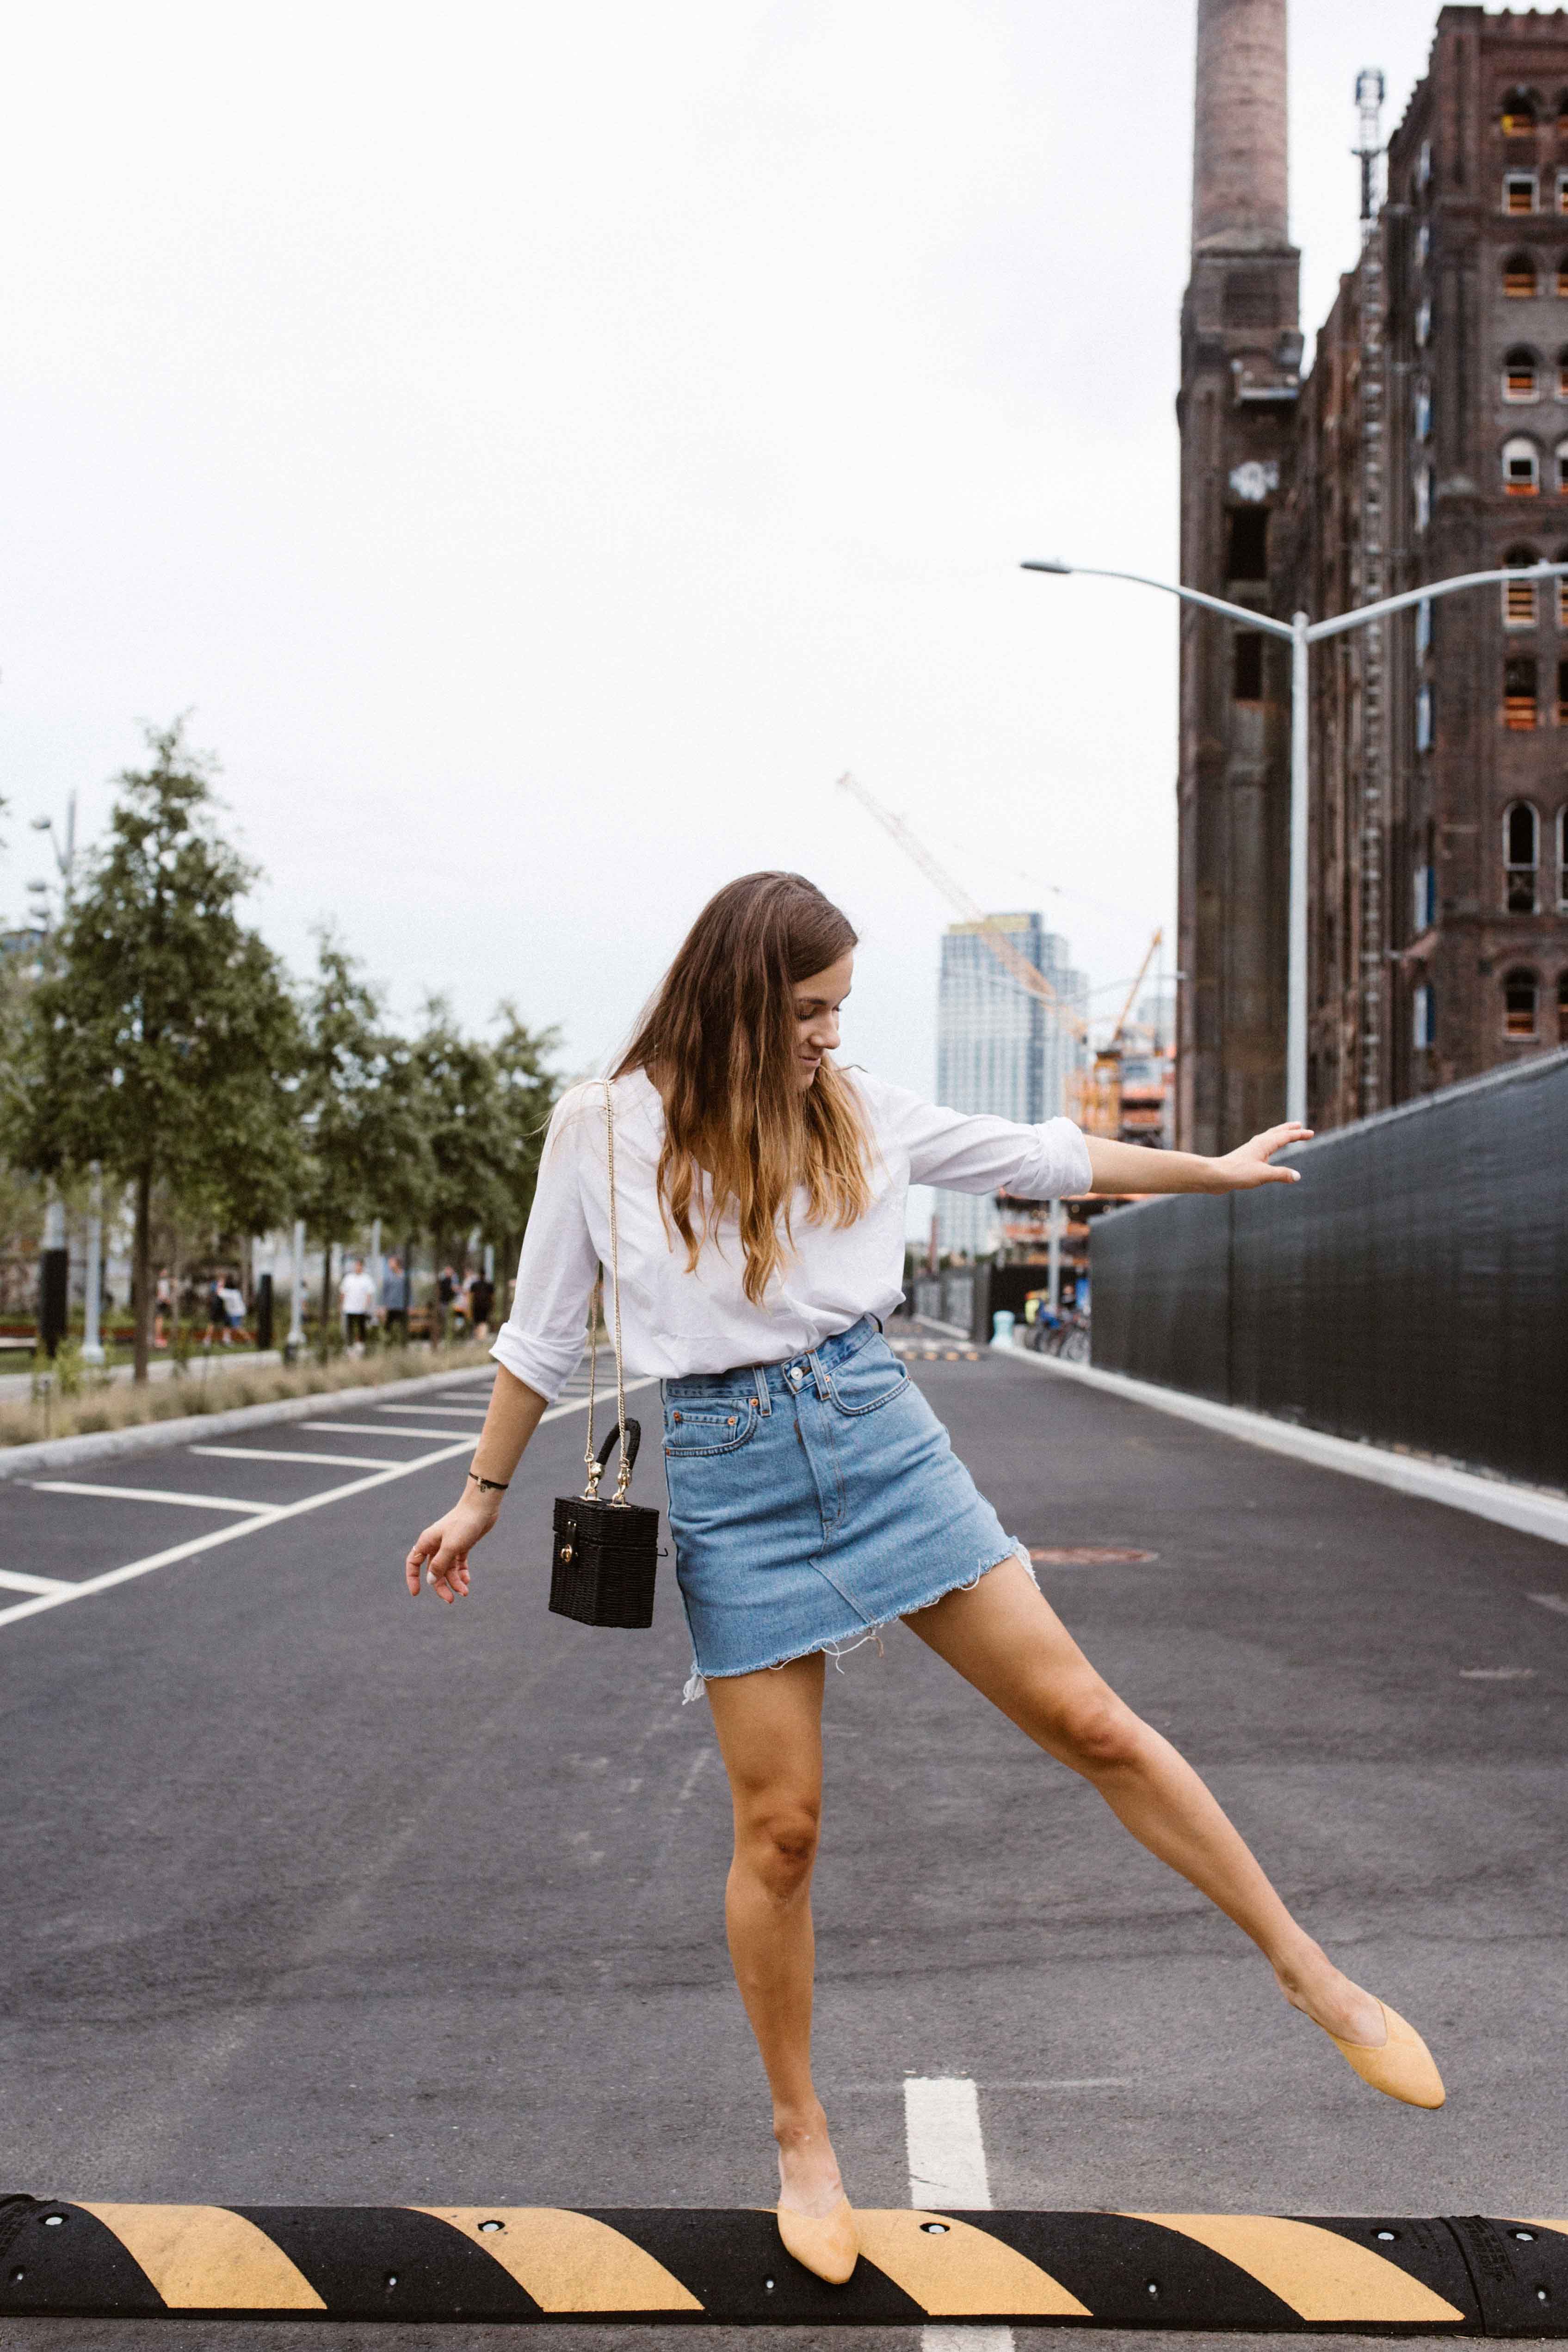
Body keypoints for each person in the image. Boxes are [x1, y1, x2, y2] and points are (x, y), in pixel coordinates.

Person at [405, 873, 1444, 2290]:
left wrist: (1211, 1172)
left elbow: (1041, 1156)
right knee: (781, 1832)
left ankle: (1305, 1969)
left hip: (877, 1435)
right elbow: (538, 1335)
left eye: (839, 1007)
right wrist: (479, 1496)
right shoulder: (598, 1128)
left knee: (1089, 1720)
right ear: (735, 997)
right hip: (729, 1479)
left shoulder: (855, 1110)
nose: (829, 1033)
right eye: (809, 1008)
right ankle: (800, 2137)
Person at [340, 1255, 377, 1355]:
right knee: (350, 1328)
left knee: (361, 1328)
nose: (357, 1267)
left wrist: (366, 1306)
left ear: (362, 1266)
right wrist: (342, 1305)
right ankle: (349, 1346)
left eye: (359, 1266)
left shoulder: (367, 1279)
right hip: (349, 1308)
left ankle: (361, 1346)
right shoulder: (348, 1278)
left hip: (361, 1309)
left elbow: (369, 1294)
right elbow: (343, 1292)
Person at [381, 1253, 411, 1345]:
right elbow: (384, 1292)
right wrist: (383, 1306)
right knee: (388, 1328)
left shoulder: (405, 1276)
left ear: (397, 1264)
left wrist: (410, 1305)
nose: (390, 1265)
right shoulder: (388, 1277)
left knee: (403, 1327)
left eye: (391, 1262)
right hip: (390, 1307)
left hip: (402, 1306)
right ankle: (388, 1345)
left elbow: (409, 1292)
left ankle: (403, 1346)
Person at [468, 1267, 495, 1340]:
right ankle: (482, 1337)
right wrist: (492, 1306)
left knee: (477, 1322)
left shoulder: (474, 1285)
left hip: (476, 1306)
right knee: (484, 1321)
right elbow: (492, 1297)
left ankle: (478, 1337)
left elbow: (471, 1297)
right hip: (486, 1306)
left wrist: (470, 1306)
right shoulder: (489, 1285)